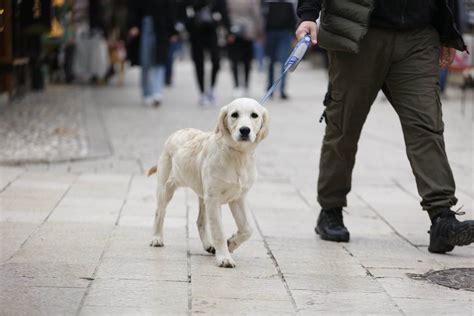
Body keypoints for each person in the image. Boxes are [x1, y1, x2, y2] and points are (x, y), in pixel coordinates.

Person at [296, 0, 474, 253]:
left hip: (419, 36)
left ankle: (442, 217)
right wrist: (308, 15)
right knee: (344, 127)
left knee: (427, 126)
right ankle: (331, 209)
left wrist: (448, 31)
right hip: (359, 33)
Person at [127, 0, 177, 106]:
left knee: (159, 61)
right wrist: (133, 25)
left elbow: (170, 9)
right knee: (146, 62)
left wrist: (172, 31)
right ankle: (146, 93)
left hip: (161, 28)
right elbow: (133, 7)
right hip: (145, 25)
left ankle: (157, 92)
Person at [183, 0, 230, 106]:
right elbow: (183, 10)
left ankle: (212, 89)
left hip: (212, 32)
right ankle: (202, 92)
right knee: (199, 63)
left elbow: (223, 11)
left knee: (216, 60)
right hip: (196, 33)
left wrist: (227, 30)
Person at [226, 0, 264, 98]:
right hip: (247, 31)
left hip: (234, 30)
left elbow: (225, 13)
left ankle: (238, 86)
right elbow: (257, 15)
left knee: (236, 61)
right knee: (245, 61)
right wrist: (259, 31)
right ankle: (245, 86)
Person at [263, 0, 297, 100]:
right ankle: (271, 89)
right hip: (272, 32)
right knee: (272, 62)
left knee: (283, 61)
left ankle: (280, 90)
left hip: (284, 32)